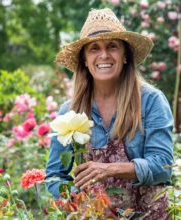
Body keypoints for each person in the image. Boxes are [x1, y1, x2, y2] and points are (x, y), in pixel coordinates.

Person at [46, 8, 173, 219]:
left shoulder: (150, 101)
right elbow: (53, 177)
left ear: (125, 56)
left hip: (149, 214)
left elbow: (163, 165)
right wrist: (85, 202)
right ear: (85, 60)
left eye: (112, 46)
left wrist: (110, 169)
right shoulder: (69, 112)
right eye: (94, 48)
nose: (104, 55)